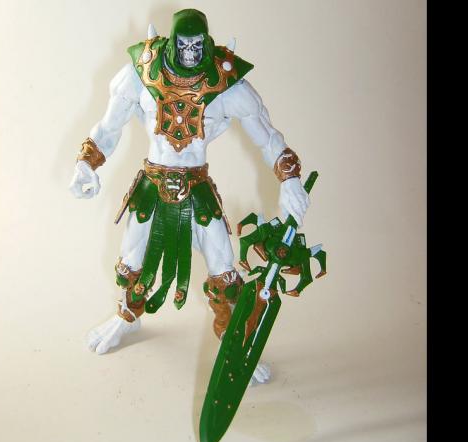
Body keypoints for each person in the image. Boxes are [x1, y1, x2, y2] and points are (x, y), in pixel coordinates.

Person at [69, 9, 309, 385]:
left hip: (197, 189)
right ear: (173, 42)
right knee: (131, 261)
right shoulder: (141, 72)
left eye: (198, 45)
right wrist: (86, 163)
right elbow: (108, 126)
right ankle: (127, 317)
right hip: (152, 186)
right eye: (185, 44)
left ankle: (234, 343)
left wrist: (289, 178)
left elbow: (267, 136)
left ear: (207, 42)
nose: (192, 52)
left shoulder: (227, 83)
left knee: (224, 270)